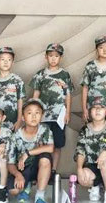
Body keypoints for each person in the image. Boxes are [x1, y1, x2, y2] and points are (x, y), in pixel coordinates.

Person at [30, 43, 73, 180]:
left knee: (57, 144)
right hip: (43, 117)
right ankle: (41, 170)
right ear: (46, 57)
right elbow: (36, 94)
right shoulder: (40, 74)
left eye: (56, 56)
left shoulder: (64, 74)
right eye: (51, 56)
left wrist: (68, 113)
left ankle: (53, 170)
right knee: (41, 143)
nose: (53, 59)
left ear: (61, 58)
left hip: (59, 116)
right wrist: (33, 112)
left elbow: (68, 95)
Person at [75, 96, 106, 203]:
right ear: (90, 111)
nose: (97, 110)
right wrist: (79, 169)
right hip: (93, 165)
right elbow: (80, 151)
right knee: (83, 177)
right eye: (94, 107)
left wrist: (105, 153)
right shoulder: (85, 130)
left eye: (101, 107)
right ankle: (95, 186)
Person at [7, 98, 54, 203]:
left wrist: (27, 153)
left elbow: (50, 148)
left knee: (45, 158)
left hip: (39, 166)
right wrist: (18, 175)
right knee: (13, 190)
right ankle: (26, 186)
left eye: (37, 113)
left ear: (41, 116)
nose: (34, 116)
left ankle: (40, 195)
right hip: (22, 168)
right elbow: (10, 163)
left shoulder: (44, 129)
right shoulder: (15, 136)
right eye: (29, 113)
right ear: (23, 117)